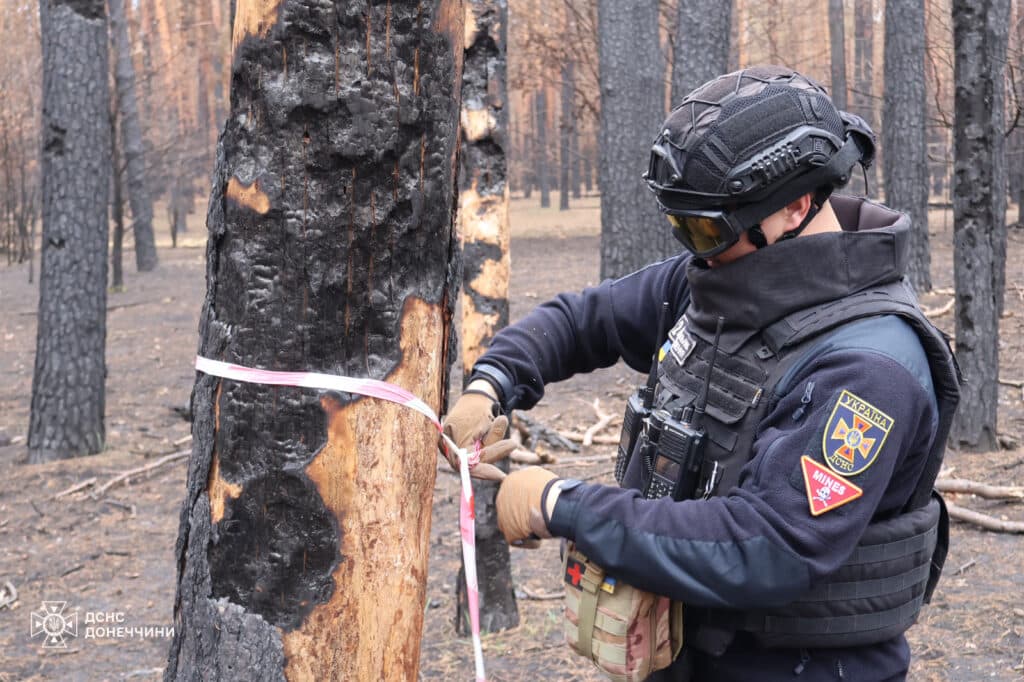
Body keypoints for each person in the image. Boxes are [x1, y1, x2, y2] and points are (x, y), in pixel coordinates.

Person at [441, 65, 959, 681]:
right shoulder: (725, 279)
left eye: (706, 227)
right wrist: (493, 382)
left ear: (794, 206)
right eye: (681, 226)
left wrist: (564, 505)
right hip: (691, 654)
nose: (694, 250)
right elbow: (588, 318)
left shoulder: (870, 366)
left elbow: (767, 545)